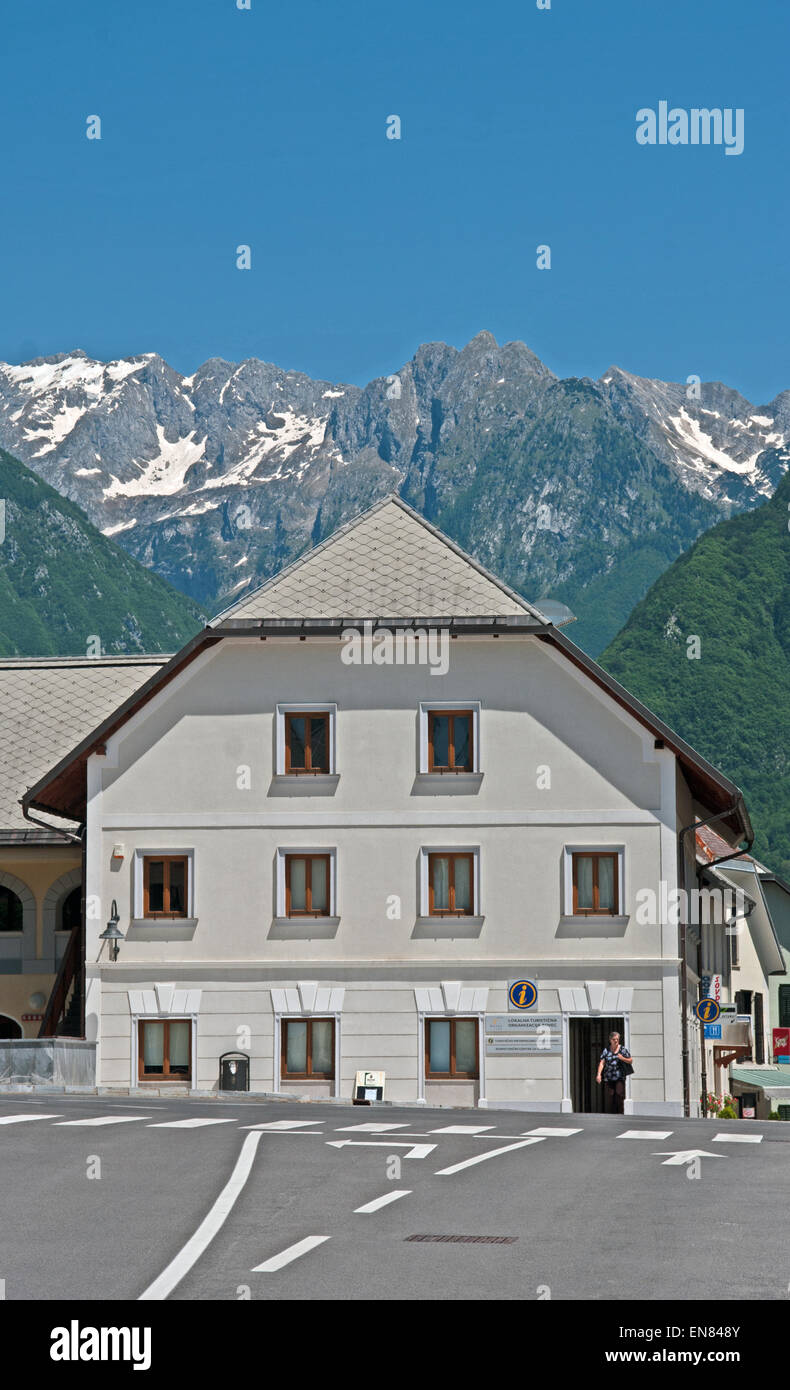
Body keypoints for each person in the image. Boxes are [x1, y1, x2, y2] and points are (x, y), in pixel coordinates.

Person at [595, 1031, 633, 1114]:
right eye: (614, 1039)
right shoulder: (606, 1050)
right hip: (608, 1077)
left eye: (617, 1039)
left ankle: (620, 1113)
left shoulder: (622, 1049)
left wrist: (622, 1058)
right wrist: (599, 1074)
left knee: (619, 1095)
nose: (616, 1041)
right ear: (610, 1040)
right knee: (610, 1096)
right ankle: (612, 1114)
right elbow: (602, 1062)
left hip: (619, 1077)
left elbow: (630, 1060)